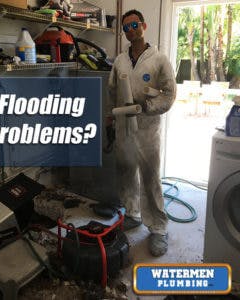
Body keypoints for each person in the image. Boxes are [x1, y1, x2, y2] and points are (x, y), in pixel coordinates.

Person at [108, 9, 176, 256]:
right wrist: (110, 118)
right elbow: (112, 91)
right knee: (126, 172)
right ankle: (133, 213)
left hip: (148, 129)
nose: (130, 30)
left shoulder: (159, 60)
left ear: (144, 26)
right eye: (126, 27)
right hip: (124, 126)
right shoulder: (120, 61)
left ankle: (158, 228)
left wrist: (149, 106)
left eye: (134, 25)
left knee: (150, 178)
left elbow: (169, 94)